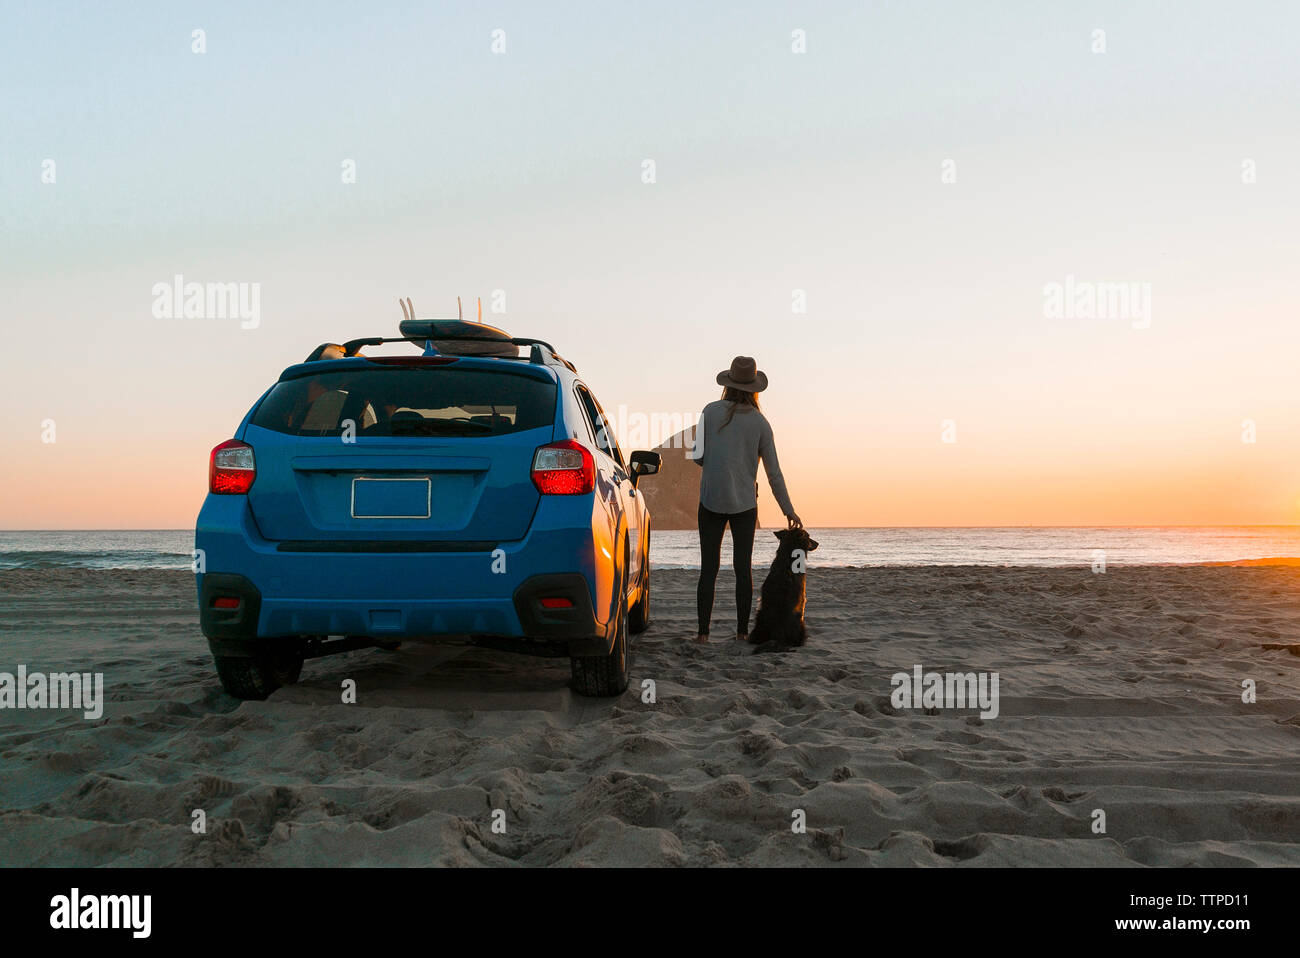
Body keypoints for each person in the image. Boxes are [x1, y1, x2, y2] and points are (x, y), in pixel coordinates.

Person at [690, 356, 801, 644]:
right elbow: (774, 474)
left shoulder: (709, 412)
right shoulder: (761, 423)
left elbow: (698, 457)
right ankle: (741, 633)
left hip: (711, 500)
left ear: (727, 384)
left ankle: (703, 635)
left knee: (709, 569)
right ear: (754, 388)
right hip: (744, 506)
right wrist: (788, 510)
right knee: (743, 569)